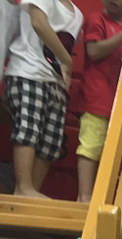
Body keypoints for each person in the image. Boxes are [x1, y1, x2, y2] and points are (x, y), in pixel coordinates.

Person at [3, 0, 83, 198]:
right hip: (28, 72)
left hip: (54, 80)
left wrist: (64, 70)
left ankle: (31, 191)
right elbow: (38, 23)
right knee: (28, 128)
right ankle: (23, 186)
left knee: (51, 141)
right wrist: (66, 60)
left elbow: (66, 43)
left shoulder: (78, 15)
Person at [75, 0, 122, 204]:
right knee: (90, 146)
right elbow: (93, 51)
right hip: (96, 99)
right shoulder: (97, 20)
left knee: (106, 153)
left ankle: (98, 197)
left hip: (115, 103)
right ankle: (84, 196)